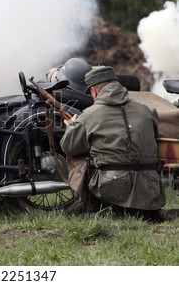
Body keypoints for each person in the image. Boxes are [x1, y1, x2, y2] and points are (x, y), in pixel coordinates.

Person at [60, 66, 170, 222]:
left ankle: (95, 208)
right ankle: (145, 212)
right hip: (150, 191)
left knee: (77, 158)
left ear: (94, 91)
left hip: (111, 191)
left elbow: (69, 147)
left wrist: (72, 126)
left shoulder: (90, 114)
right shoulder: (146, 110)